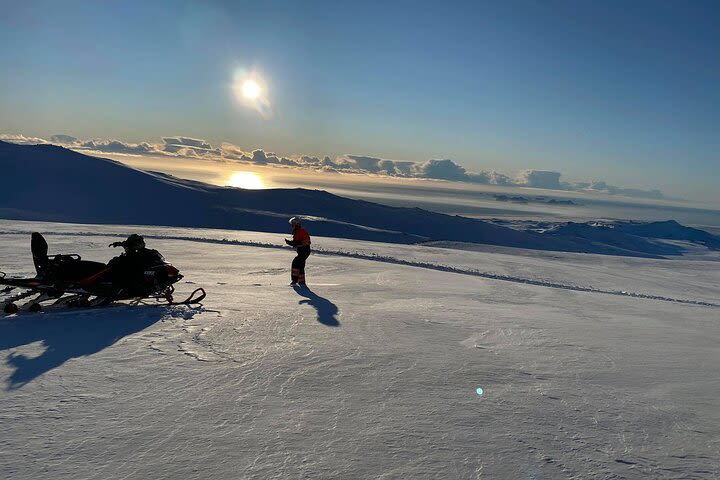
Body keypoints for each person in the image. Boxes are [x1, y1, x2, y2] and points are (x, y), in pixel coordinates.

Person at [285, 217, 311, 285]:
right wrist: (291, 243)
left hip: (304, 251)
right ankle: (301, 282)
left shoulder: (301, 231)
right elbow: (296, 242)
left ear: (296, 224)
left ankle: (295, 280)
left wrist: (291, 243)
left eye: (293, 224)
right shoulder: (298, 231)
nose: (292, 226)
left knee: (296, 263)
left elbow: (304, 242)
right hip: (303, 251)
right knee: (301, 265)